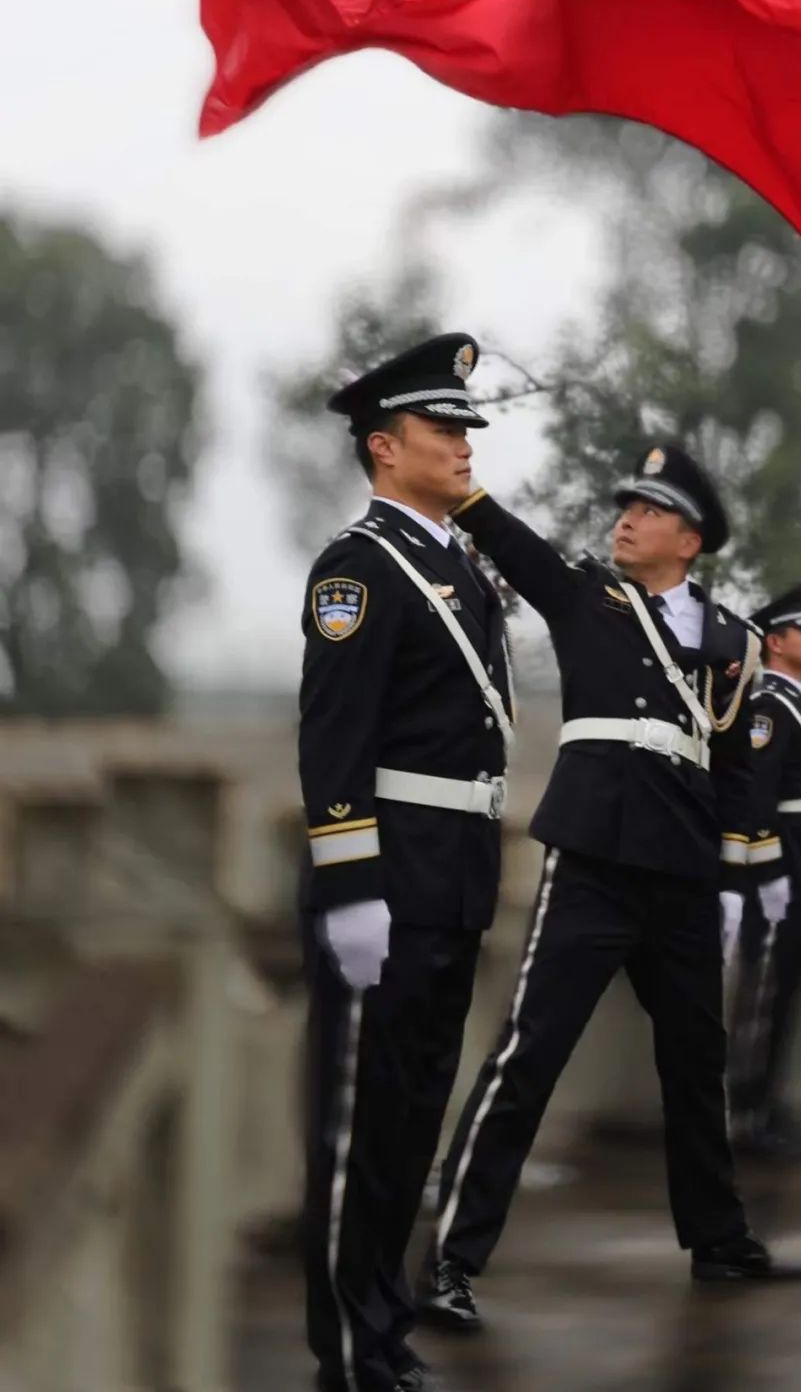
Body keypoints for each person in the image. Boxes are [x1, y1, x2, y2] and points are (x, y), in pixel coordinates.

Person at [419, 444, 801, 1334]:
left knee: (694, 1061)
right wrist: (465, 494)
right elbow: (517, 547)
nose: (626, 518)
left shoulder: (735, 641)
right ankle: (450, 1259)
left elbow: (738, 772)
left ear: (690, 537)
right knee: (528, 1057)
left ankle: (718, 1241)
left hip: (680, 872)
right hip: (592, 860)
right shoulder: (586, 595)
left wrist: (740, 872)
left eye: (648, 508)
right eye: (625, 505)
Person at [298, 332, 514, 1392]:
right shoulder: (361, 568)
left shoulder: (454, 564)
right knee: (357, 1134)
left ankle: (380, 1331)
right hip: (387, 883)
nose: (466, 442)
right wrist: (348, 886)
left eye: (469, 425)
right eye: (446, 426)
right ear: (386, 446)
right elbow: (334, 737)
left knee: (410, 1121)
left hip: (453, 878)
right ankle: (346, 1349)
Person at [728, 584, 801, 1160]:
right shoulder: (769, 707)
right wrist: (768, 870)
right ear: (776, 642)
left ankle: (771, 1104)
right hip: (785, 865)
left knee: (789, 988)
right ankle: (746, 1114)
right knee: (766, 990)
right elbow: (754, 797)